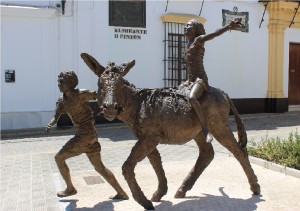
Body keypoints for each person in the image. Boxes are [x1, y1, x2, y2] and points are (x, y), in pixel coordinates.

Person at [45, 70, 128, 199]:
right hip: (90, 136)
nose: (59, 83)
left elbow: (99, 95)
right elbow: (56, 117)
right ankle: (121, 193)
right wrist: (50, 124)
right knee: (100, 168)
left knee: (59, 158)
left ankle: (70, 188)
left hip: (85, 135)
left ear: (71, 83)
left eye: (62, 81)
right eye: (59, 81)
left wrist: (108, 106)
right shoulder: (62, 102)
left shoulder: (81, 94)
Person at [184, 18, 242, 142]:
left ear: (195, 29)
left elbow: (214, 34)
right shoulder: (188, 44)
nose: (185, 27)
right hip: (191, 80)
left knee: (192, 98)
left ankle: (205, 130)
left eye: (188, 26)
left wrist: (228, 26)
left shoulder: (198, 40)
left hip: (200, 80)